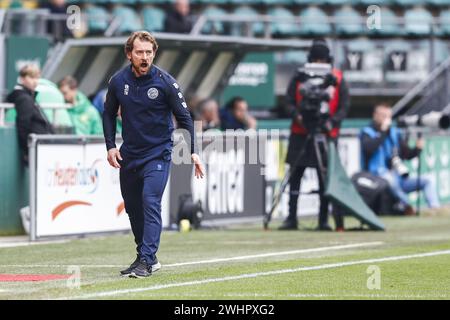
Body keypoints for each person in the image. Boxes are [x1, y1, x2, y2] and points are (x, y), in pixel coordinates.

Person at [103, 31, 204, 278]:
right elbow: (108, 113)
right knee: (133, 209)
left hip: (158, 154)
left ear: (154, 53)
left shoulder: (165, 82)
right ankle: (145, 256)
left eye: (149, 52)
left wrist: (193, 152)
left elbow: (184, 117)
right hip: (129, 155)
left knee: (150, 202)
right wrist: (110, 145)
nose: (145, 57)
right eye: (139, 52)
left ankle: (146, 261)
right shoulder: (118, 81)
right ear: (129, 54)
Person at [279, 38, 350, 231]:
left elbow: (344, 107)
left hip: (326, 135)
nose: (319, 64)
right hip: (300, 132)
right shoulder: (300, 75)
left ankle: (323, 220)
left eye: (322, 61)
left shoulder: (338, 78)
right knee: (295, 176)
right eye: (316, 60)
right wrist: (298, 116)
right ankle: (291, 217)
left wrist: (331, 123)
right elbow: (288, 101)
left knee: (324, 178)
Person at [360, 103, 440, 215]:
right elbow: (369, 148)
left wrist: (417, 149)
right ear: (375, 115)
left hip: (398, 177)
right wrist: (382, 132)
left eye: (388, 116)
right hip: (376, 178)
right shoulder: (367, 132)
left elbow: (406, 154)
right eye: (383, 115)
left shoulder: (394, 133)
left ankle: (435, 208)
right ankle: (408, 207)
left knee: (428, 179)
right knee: (389, 178)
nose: (386, 119)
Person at [6, 65, 54, 166]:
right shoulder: (24, 98)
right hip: (35, 147)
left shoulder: (27, 96)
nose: (35, 81)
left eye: (37, 78)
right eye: (32, 77)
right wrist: (27, 150)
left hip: (38, 146)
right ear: (22, 79)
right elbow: (23, 125)